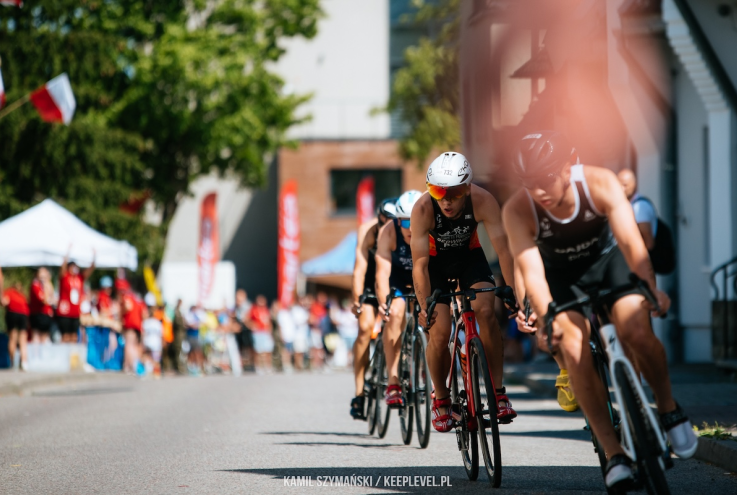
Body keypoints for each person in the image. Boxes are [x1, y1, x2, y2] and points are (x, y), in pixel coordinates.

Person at [502, 131, 697, 489]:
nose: (539, 190)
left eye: (546, 178)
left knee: (635, 328)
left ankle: (669, 409)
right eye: (529, 183)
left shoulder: (598, 183)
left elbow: (632, 244)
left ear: (567, 167)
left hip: (610, 262)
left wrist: (651, 289)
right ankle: (614, 453)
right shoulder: (517, 210)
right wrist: (547, 320)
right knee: (573, 348)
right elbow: (532, 273)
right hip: (562, 276)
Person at [411, 152, 517, 432]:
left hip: (469, 258)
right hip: (434, 265)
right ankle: (442, 399)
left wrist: (511, 291)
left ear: (468, 188)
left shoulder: (483, 200)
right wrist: (425, 307)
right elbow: (419, 266)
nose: (445, 201)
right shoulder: (422, 209)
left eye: (454, 193)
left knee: (486, 311)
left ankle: (498, 393)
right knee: (439, 331)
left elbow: (504, 250)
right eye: (438, 192)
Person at [349, 198, 397, 419]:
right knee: (364, 328)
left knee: (401, 320)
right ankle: (359, 392)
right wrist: (356, 299)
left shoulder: (404, 228)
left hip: (394, 277)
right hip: (371, 279)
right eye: (383, 223)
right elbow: (359, 269)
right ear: (379, 218)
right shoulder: (367, 231)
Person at [375, 190, 421, 407]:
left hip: (424, 277)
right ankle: (393, 381)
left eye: (415, 222)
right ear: (397, 221)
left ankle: (426, 369)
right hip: (398, 280)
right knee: (395, 313)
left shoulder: (432, 228)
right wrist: (384, 302)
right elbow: (382, 273)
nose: (411, 228)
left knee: (434, 315)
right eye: (405, 223)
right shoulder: (388, 232)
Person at [57, 248, 95, 343]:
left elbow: (90, 269)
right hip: (65, 311)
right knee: (65, 336)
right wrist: (68, 252)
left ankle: (72, 352)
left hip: (75, 312)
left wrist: (94, 257)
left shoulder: (79, 278)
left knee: (74, 336)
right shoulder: (65, 277)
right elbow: (62, 267)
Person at [4, 280, 30, 370]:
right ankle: (24, 362)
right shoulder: (22, 295)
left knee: (12, 338)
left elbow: (4, 302)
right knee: (23, 339)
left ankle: (13, 363)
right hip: (23, 314)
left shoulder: (9, 292)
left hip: (12, 313)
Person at [248, 295, 274, 374]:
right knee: (259, 351)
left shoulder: (266, 309)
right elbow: (247, 319)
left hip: (266, 332)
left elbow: (269, 321)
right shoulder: (254, 309)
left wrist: (270, 331)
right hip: (258, 332)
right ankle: (258, 367)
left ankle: (268, 366)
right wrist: (252, 325)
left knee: (268, 350)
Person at [29, 267, 55, 344]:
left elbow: (52, 297)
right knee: (37, 337)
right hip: (38, 314)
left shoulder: (46, 284)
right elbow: (44, 300)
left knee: (44, 337)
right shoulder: (36, 285)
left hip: (45, 314)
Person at [120, 288, 143, 373]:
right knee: (133, 345)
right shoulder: (137, 300)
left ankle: (130, 366)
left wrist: (121, 314)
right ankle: (133, 365)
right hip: (137, 326)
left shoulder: (127, 298)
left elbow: (128, 307)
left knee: (129, 345)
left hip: (130, 325)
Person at [141, 306, 163, 376]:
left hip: (147, 342)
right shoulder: (157, 322)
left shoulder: (146, 322)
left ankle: (148, 370)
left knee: (147, 357)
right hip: (156, 344)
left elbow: (143, 334)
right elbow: (161, 335)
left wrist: (142, 343)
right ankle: (155, 372)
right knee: (156, 360)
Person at [291, 296, 310, 371]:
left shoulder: (304, 310)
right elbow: (297, 321)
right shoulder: (295, 310)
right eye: (302, 301)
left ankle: (300, 365)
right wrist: (307, 320)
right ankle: (297, 366)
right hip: (297, 334)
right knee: (297, 351)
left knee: (302, 351)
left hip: (304, 334)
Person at [275, 300, 295, 372]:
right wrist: (281, 335)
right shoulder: (282, 313)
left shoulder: (292, 313)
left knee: (289, 351)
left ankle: (288, 364)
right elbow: (280, 325)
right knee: (284, 351)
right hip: (285, 335)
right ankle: (285, 365)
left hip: (291, 336)